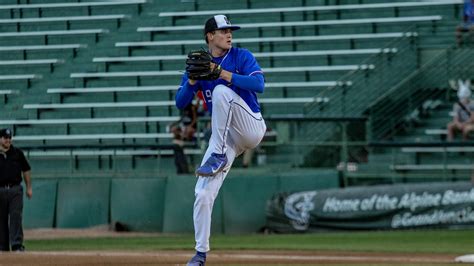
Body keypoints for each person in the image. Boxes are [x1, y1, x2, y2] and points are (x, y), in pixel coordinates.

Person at [175, 15, 267, 266]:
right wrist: (192, 81)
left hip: (251, 126)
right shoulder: (200, 65)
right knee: (202, 194)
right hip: (226, 138)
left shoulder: (241, 56)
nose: (229, 34)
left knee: (220, 91)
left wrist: (223, 74)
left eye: (230, 30)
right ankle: (200, 254)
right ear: (209, 36)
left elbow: (259, 84)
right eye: (223, 30)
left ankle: (215, 154)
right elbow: (180, 102)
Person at [0, 128, 32, 252]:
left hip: (15, 189)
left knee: (16, 216)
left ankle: (17, 245)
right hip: (0, 189)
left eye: (9, 138)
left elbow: (26, 170)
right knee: (1, 219)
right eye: (5, 138)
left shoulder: (17, 153)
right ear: (0, 139)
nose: (8, 140)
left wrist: (29, 187)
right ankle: (2, 246)